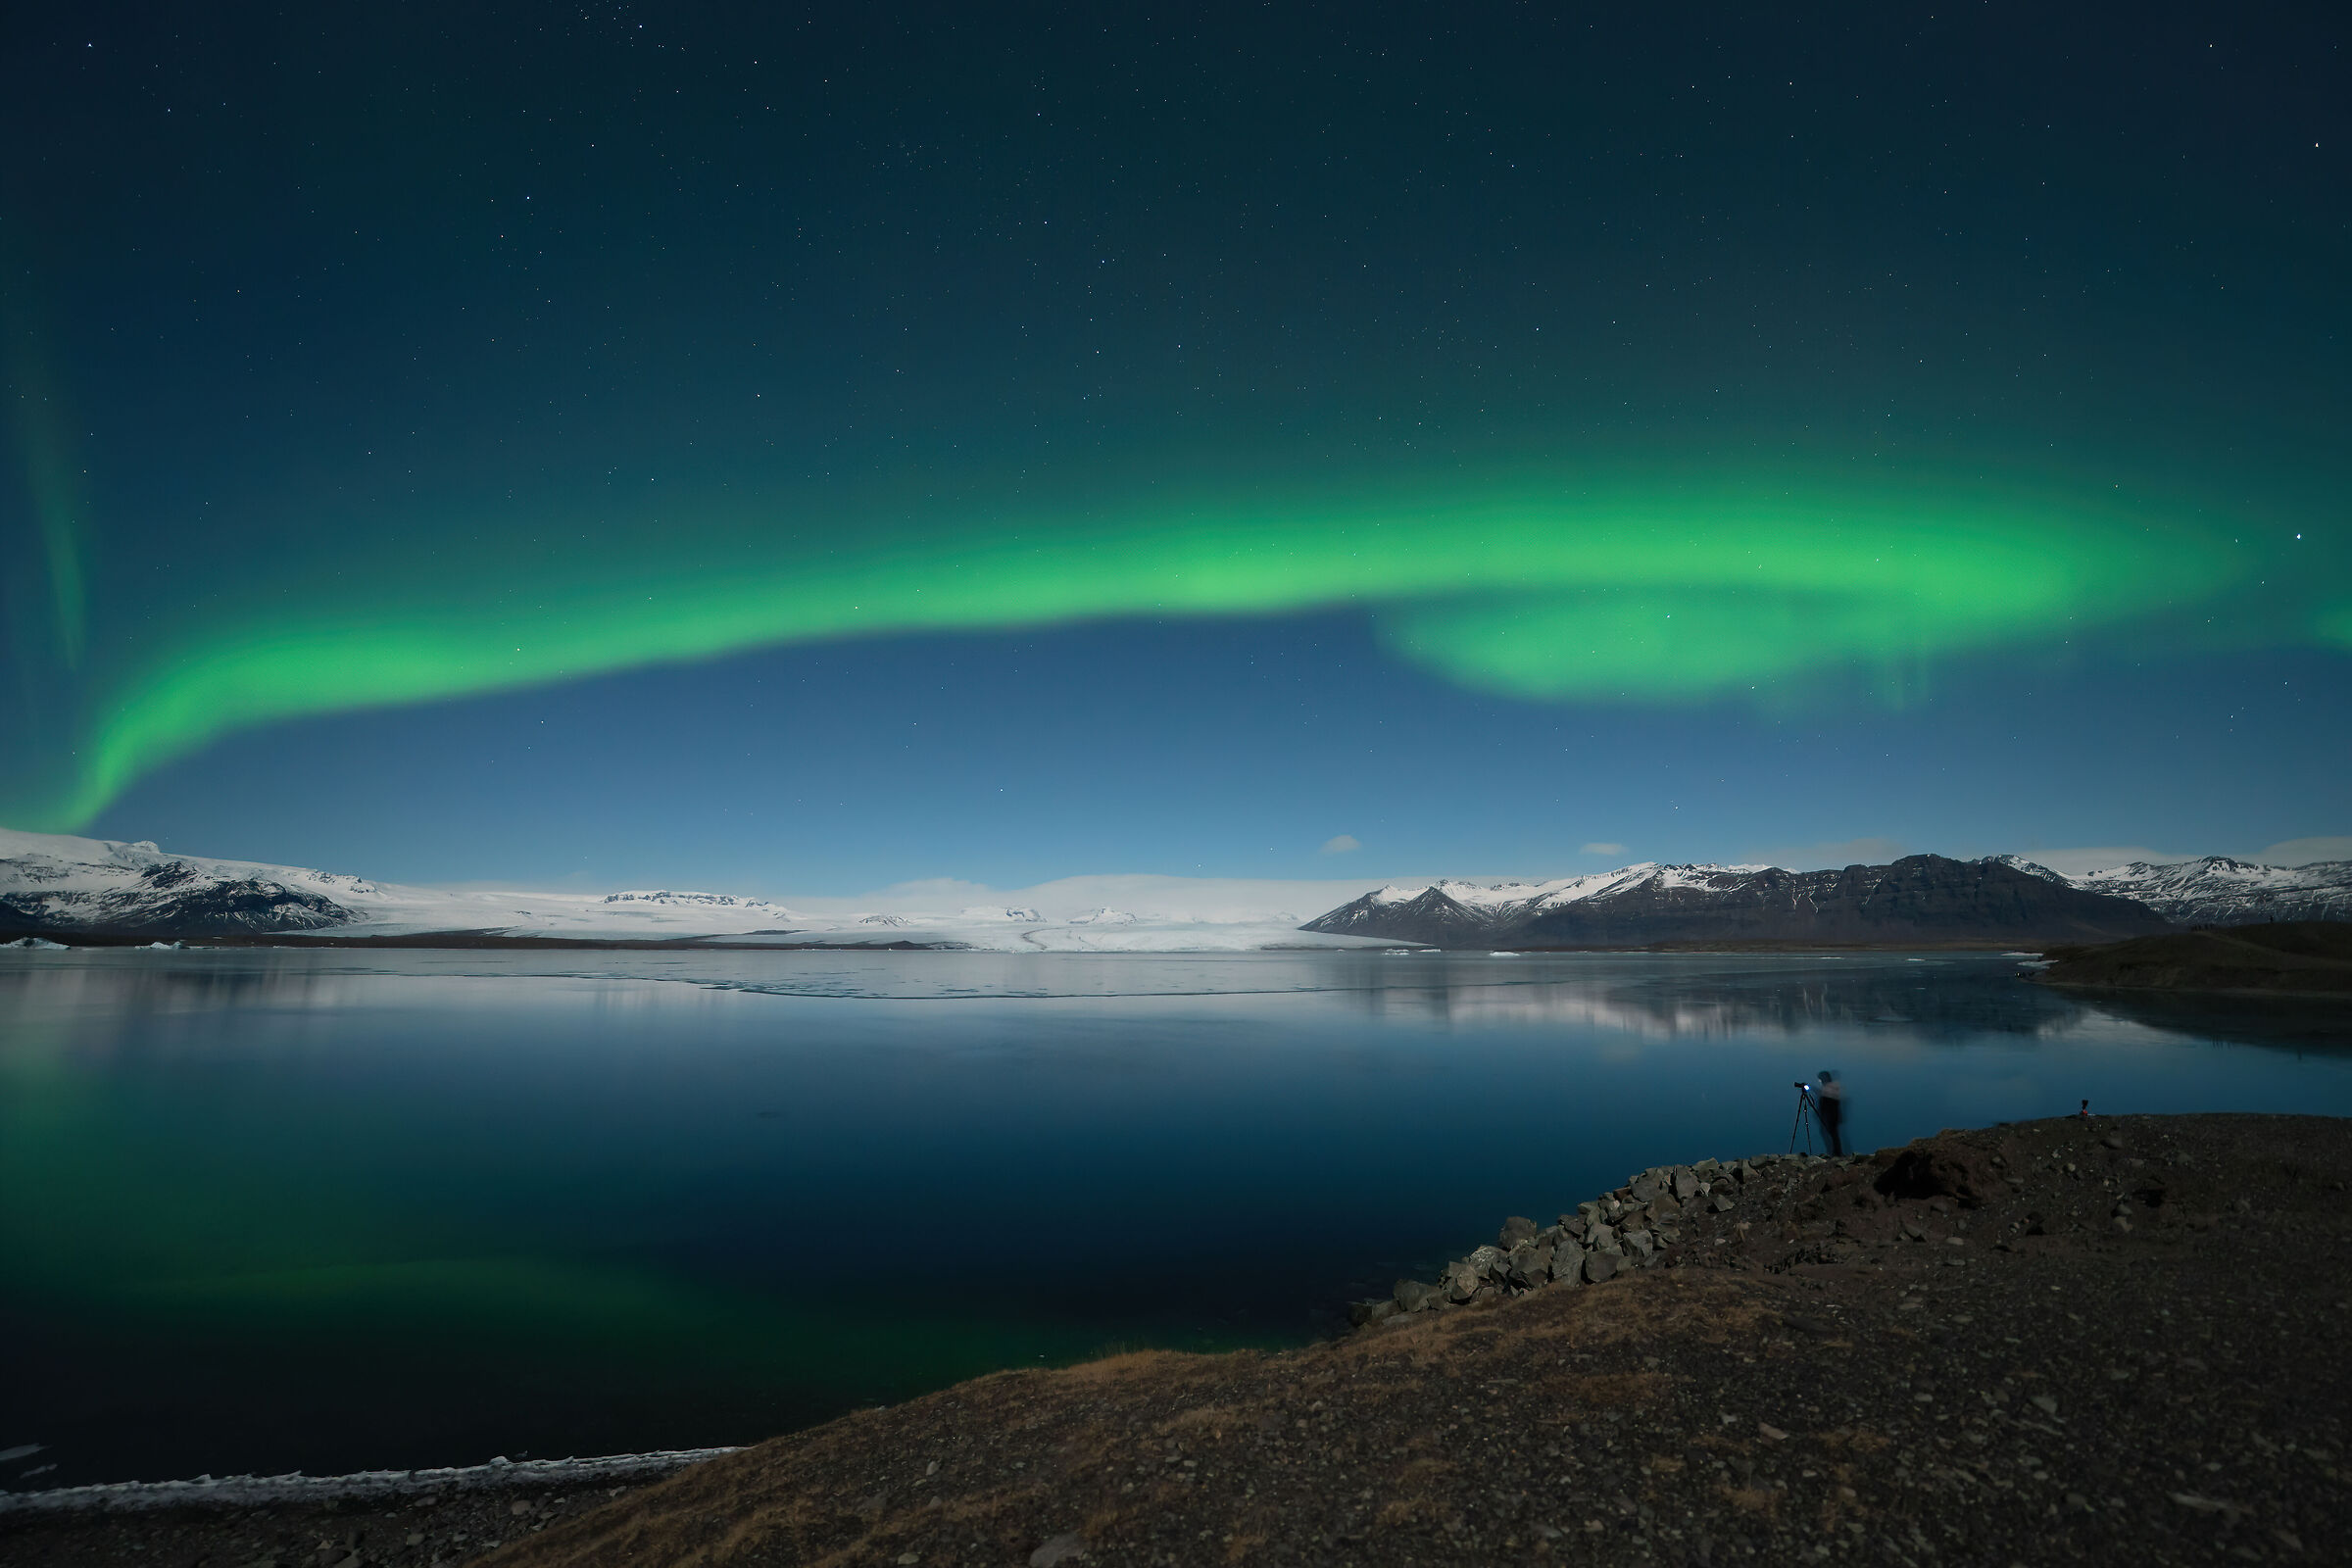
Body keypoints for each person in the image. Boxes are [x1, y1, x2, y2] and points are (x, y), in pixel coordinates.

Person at [1815, 1069, 1845, 1156]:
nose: (1820, 1081)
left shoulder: (1830, 1087)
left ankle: (1836, 1152)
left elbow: (1827, 1099)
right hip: (1831, 1115)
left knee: (1833, 1134)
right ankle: (1835, 1152)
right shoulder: (1831, 1087)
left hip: (1831, 1116)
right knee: (1833, 1134)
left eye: (1820, 1079)